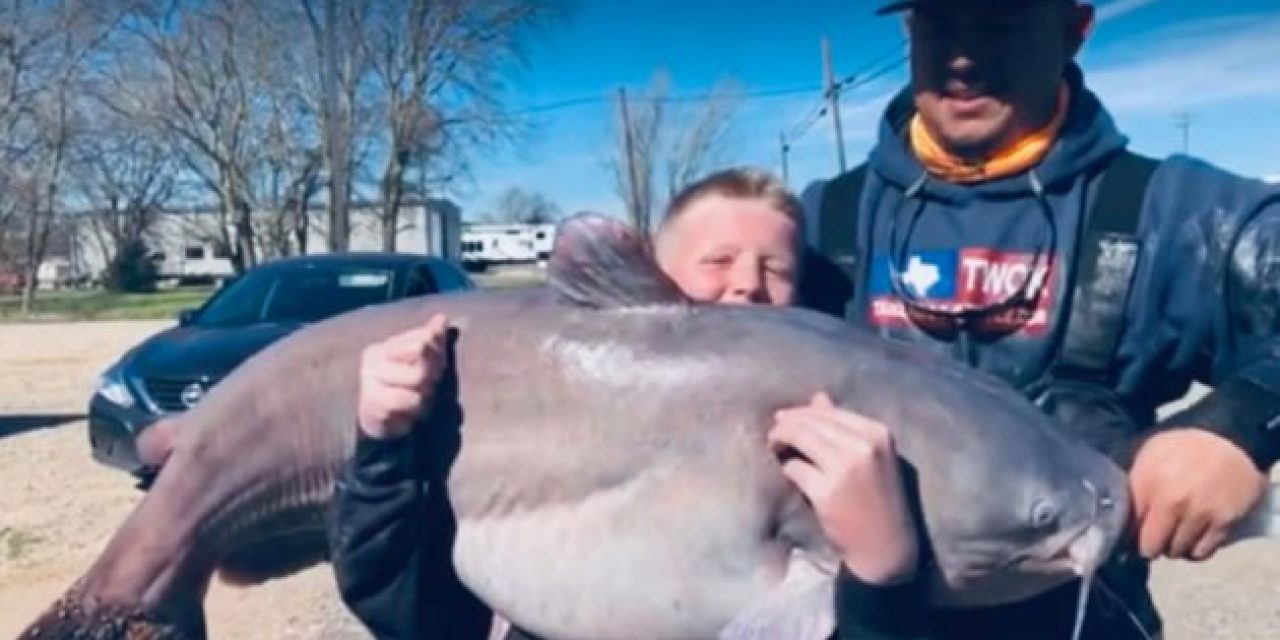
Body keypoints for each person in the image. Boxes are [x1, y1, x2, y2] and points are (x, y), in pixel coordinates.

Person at [798, 0, 1280, 637]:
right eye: (939, 24)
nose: (962, 59)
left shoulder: (1173, 215)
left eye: (998, 22)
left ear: (1073, 31)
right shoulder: (823, 223)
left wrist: (1243, 421)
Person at [327, 167, 923, 639]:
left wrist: (880, 580)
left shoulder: (829, 445)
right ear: (656, 274)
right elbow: (412, 617)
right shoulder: (546, 405)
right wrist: (383, 451)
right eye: (717, 261)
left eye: (776, 267)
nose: (747, 283)